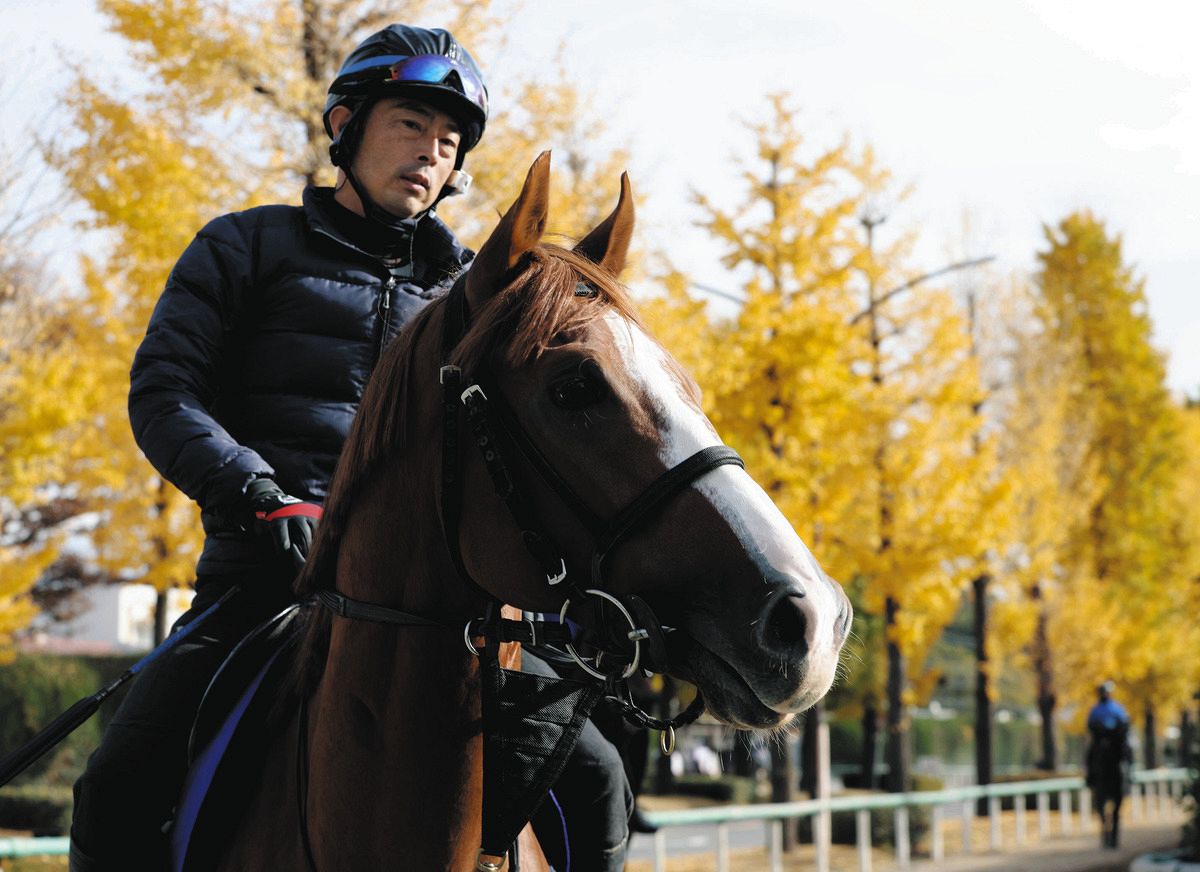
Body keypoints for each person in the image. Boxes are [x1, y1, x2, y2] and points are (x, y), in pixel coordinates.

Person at [69, 24, 630, 871]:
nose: (430, 152)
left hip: (452, 612)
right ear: (344, 125)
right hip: (263, 587)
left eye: (449, 141)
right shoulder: (244, 246)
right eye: (410, 124)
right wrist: (259, 493)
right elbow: (163, 395)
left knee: (600, 782)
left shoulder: (476, 293)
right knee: (116, 781)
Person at [1085, 680, 1132, 849]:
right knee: (1091, 753)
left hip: (1115, 742)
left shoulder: (1117, 709)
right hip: (1101, 741)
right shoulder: (1095, 710)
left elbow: (1125, 726)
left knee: (1126, 751)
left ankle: (1128, 774)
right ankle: (1090, 776)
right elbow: (1090, 727)